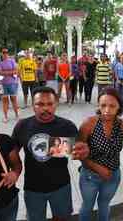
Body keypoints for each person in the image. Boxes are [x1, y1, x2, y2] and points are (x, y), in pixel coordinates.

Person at [11, 86, 89, 221]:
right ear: (33, 105)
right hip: (32, 187)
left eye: (50, 104)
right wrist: (15, 171)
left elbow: (77, 151)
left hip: (61, 185)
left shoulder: (67, 126)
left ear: (56, 104)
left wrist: (82, 152)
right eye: (40, 104)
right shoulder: (22, 126)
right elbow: (12, 153)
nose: (45, 108)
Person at [77, 87, 123, 221]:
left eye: (112, 106)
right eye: (103, 105)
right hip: (90, 176)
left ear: (119, 106)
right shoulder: (88, 124)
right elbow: (80, 154)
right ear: (98, 105)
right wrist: (98, 168)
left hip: (112, 176)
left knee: (104, 205)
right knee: (87, 206)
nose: (107, 110)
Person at [0, 48, 19, 122]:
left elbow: (16, 71)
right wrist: (11, 72)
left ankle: (17, 115)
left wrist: (5, 72)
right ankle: (5, 117)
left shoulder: (11, 60)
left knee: (14, 100)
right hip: (3, 84)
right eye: (3, 52)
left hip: (12, 83)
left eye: (6, 52)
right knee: (5, 101)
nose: (5, 53)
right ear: (1, 53)